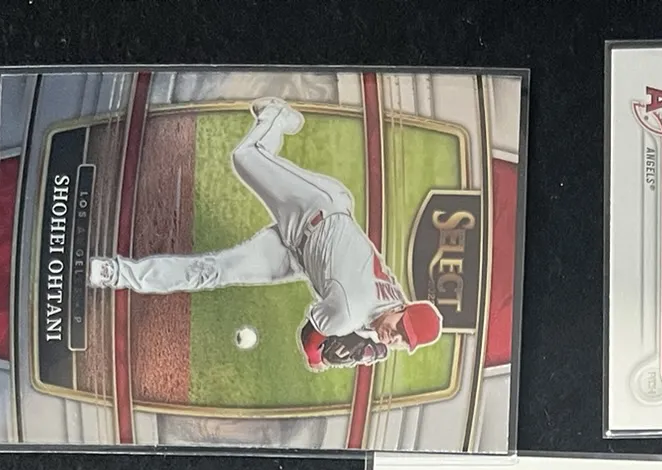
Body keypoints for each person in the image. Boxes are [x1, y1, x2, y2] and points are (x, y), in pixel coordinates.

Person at [85, 98, 443, 371]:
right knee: (245, 157)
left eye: (403, 341)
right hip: (316, 207)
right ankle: (276, 114)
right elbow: (310, 338)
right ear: (402, 308)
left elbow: (377, 335)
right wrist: (318, 361)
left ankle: (116, 273)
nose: (394, 337)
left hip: (294, 255)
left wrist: (373, 347)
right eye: (401, 328)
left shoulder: (388, 307)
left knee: (213, 271)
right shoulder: (351, 309)